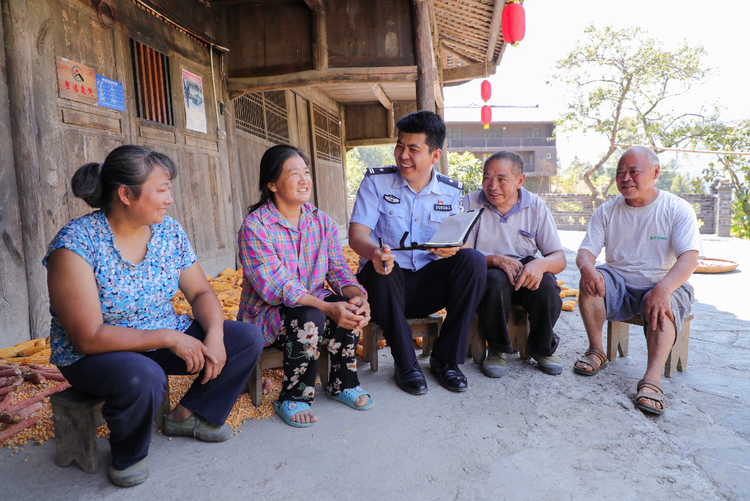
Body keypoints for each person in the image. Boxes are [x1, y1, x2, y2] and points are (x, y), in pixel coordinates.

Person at [44, 145, 263, 487]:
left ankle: (187, 415)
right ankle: (128, 455)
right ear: (126, 194)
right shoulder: (75, 245)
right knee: (143, 377)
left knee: (245, 339)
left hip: (163, 333)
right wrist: (169, 338)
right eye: (161, 190)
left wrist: (215, 336)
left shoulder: (169, 232)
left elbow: (201, 292)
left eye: (169, 190)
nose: (169, 199)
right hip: (97, 352)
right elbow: (87, 336)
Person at [349, 111, 487, 395]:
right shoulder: (377, 182)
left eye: (414, 149)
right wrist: (375, 252)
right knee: (383, 268)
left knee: (473, 260)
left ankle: (446, 360)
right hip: (385, 284)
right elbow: (357, 234)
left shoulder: (450, 192)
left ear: (435, 156)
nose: (403, 155)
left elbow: (462, 243)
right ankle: (406, 364)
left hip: (428, 284)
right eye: (400, 145)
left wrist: (454, 248)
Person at [237, 145, 373, 428]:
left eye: (306, 172)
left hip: (312, 305)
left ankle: (342, 384)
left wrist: (358, 296)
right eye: (294, 173)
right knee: (311, 316)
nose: (304, 180)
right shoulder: (256, 226)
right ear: (272, 184)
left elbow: (337, 269)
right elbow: (275, 287)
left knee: (346, 307)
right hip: (267, 315)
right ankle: (294, 397)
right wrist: (325, 307)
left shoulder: (320, 221)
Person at [573, 146, 701, 416]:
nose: (625, 178)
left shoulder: (676, 208)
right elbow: (587, 251)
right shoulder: (607, 210)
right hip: (619, 280)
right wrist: (587, 267)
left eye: (634, 171)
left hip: (663, 281)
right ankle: (597, 351)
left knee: (663, 305)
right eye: (620, 172)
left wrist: (663, 288)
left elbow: (689, 259)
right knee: (591, 282)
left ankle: (651, 380)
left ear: (655, 173)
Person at [463, 151, 567, 378]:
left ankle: (542, 348)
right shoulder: (470, 202)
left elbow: (559, 257)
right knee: (494, 281)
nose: (492, 186)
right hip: (486, 267)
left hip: (524, 270)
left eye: (501, 179)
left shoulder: (535, 205)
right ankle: (497, 349)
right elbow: (463, 254)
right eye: (487, 178)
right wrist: (494, 260)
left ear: (520, 180)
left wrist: (540, 265)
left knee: (547, 285)